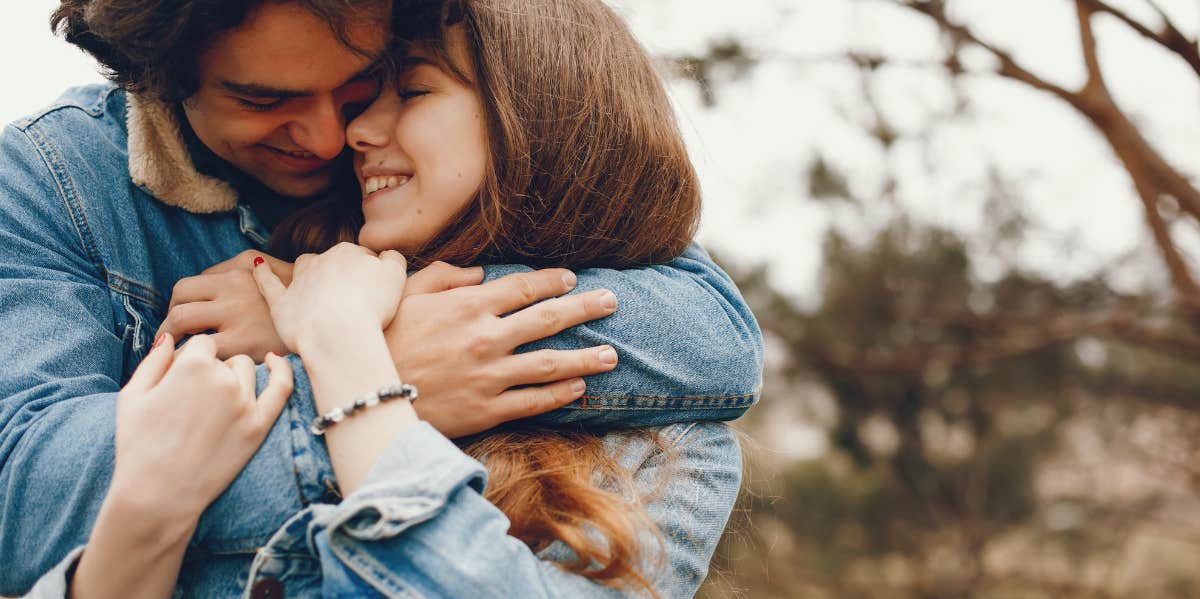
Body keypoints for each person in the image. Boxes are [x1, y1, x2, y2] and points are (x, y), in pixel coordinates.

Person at [0, 0, 762, 595]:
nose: (336, 137)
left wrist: (342, 333)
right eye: (265, 97)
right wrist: (377, 369)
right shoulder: (52, 180)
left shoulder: (663, 451)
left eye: (371, 80)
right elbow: (27, 493)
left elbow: (715, 339)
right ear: (158, 71)